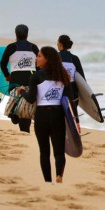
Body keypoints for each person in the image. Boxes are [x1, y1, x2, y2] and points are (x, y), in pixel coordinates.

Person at [20, 46, 75, 183]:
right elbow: (70, 100)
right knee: (59, 151)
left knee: (44, 152)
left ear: (47, 59)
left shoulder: (36, 76)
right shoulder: (64, 76)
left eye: (39, 56)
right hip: (57, 115)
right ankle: (59, 176)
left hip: (42, 116)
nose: (36, 58)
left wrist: (21, 92)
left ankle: (47, 182)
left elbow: (31, 98)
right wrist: (76, 122)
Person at [0, 24, 39, 133]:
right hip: (30, 80)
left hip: (15, 80)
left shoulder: (11, 47)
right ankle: (24, 129)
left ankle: (15, 115)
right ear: (27, 34)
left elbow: (2, 63)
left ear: (16, 34)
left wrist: (7, 75)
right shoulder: (33, 47)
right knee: (26, 107)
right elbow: (39, 65)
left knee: (16, 102)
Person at [57, 34, 85, 118]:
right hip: (72, 92)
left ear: (60, 44)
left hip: (57, 90)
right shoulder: (74, 58)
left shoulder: (55, 57)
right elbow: (82, 78)